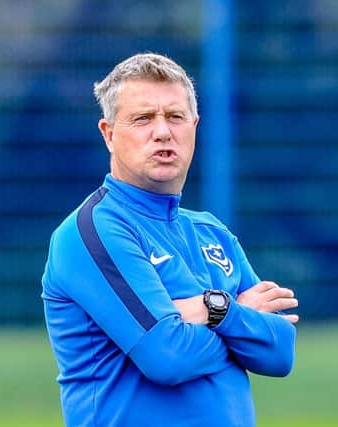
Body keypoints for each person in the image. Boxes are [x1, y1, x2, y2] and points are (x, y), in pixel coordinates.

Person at [41, 53, 298, 427]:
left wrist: (212, 311)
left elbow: (279, 353)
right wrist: (232, 315)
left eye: (175, 117)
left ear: (194, 126)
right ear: (108, 133)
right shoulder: (94, 230)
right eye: (143, 118)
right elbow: (166, 355)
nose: (162, 132)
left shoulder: (213, 233)